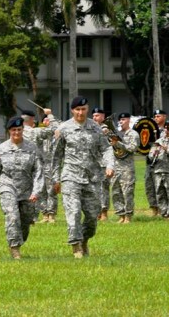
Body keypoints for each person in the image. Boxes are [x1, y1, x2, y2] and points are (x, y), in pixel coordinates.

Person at [51, 96, 114, 258]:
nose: (80, 112)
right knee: (73, 212)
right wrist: (55, 179)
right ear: (72, 110)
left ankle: (84, 238)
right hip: (71, 176)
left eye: (83, 109)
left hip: (92, 178)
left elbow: (106, 149)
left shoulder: (96, 128)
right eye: (77, 109)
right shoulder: (64, 128)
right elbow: (56, 156)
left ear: (87, 109)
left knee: (93, 217)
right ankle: (76, 246)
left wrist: (109, 165)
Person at [0, 117, 43, 260]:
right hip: (7, 186)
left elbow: (38, 171)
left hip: (26, 190)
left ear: (23, 130)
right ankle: (14, 248)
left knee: (25, 221)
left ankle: (18, 241)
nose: (16, 132)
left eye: (19, 129)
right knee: (12, 216)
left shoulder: (32, 148)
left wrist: (36, 191)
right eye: (13, 130)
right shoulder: (1, 149)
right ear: (9, 131)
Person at [21, 108, 58, 223]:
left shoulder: (17, 132)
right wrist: (50, 115)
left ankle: (44, 215)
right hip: (42, 164)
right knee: (49, 189)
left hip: (28, 166)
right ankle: (50, 215)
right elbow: (55, 129)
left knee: (38, 190)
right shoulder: (35, 131)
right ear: (32, 119)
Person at [108, 112, 140, 224]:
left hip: (127, 168)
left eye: (124, 120)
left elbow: (133, 148)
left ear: (129, 121)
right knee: (116, 192)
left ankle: (128, 215)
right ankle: (120, 215)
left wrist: (119, 143)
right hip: (116, 167)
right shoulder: (117, 133)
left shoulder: (133, 134)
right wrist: (112, 142)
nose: (121, 122)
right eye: (120, 120)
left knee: (127, 192)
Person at [148, 121, 169, 219]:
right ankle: (164, 213)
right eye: (165, 128)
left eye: (168, 129)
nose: (166, 130)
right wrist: (154, 154)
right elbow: (150, 156)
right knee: (160, 193)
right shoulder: (159, 141)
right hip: (158, 170)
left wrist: (167, 150)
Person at [145, 109, 168, 216]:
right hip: (150, 162)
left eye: (158, 116)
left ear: (164, 117)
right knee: (149, 186)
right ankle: (154, 209)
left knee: (162, 187)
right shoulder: (149, 131)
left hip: (163, 163)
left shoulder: (168, 130)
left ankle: (164, 209)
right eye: (155, 116)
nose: (156, 118)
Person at [91, 107, 111, 221]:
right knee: (93, 189)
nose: (94, 117)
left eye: (97, 115)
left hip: (103, 164)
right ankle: (96, 211)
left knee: (104, 189)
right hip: (93, 164)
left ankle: (104, 212)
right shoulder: (91, 128)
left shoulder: (105, 129)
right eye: (93, 115)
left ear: (103, 117)